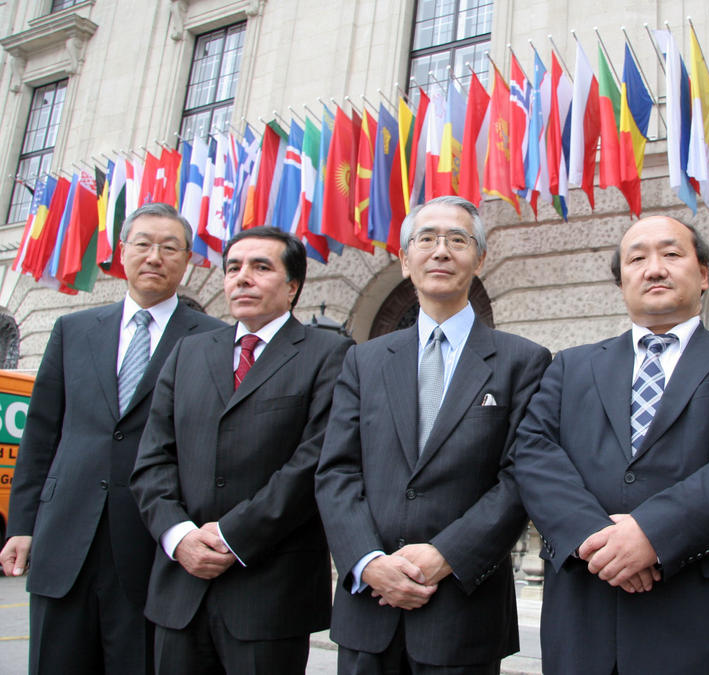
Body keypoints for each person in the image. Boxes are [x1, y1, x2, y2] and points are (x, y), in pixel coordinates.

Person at [514, 215, 709, 674]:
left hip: (701, 622)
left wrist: (651, 533)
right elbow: (533, 451)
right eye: (637, 258)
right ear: (622, 281)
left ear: (703, 274)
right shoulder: (570, 368)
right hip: (586, 617)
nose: (654, 268)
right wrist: (597, 540)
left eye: (671, 253)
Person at [315, 196, 550, 674]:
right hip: (370, 608)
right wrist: (368, 562)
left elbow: (520, 477)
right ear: (405, 260)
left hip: (464, 609)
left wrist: (445, 555)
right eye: (426, 239)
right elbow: (337, 470)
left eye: (457, 240)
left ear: (478, 259)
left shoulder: (523, 361)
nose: (440, 251)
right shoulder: (364, 360)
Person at [0, 202, 224, 674]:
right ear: (122, 253)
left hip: (149, 545)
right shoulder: (73, 329)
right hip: (64, 536)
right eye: (143, 244)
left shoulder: (213, 340)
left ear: (188, 261)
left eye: (169, 247)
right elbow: (41, 433)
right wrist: (21, 524)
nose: (154, 256)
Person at [130, 226, 352, 674]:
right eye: (233, 268)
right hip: (181, 587)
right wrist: (180, 536)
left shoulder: (330, 353)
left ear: (292, 287)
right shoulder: (187, 353)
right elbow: (153, 459)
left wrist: (233, 535)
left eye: (260, 267)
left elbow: (313, 463)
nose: (242, 278)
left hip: (269, 594)